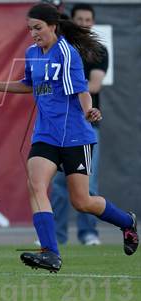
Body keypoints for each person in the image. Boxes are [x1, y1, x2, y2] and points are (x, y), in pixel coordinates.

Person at [0, 2, 138, 272]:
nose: (33, 34)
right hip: (46, 134)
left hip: (75, 136)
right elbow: (29, 84)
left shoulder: (67, 53)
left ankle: (126, 222)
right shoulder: (32, 53)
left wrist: (89, 111)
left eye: (38, 28)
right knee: (36, 185)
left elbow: (82, 91)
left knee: (82, 201)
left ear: (53, 26)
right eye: (30, 29)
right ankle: (50, 252)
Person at [50, 3, 109, 246]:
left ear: (93, 22)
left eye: (88, 19)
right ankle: (57, 237)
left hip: (86, 127)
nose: (84, 23)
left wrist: (70, 83)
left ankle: (88, 234)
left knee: (88, 184)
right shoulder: (60, 50)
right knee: (58, 185)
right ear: (72, 22)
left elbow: (94, 85)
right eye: (80, 19)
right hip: (60, 127)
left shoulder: (99, 51)